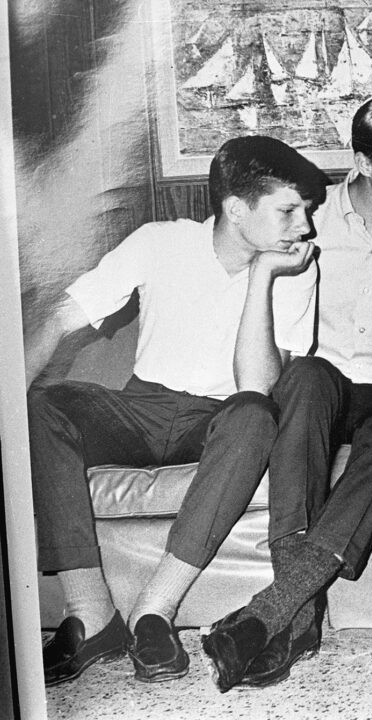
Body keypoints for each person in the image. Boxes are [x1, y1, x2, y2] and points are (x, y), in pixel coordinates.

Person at [200, 91, 372, 693]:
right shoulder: (307, 223)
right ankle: (291, 615)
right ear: (362, 163)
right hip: (321, 386)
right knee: (303, 378)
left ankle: (275, 618)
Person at [25, 135, 326, 686]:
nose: (304, 227)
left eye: (304, 211)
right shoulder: (159, 241)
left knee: (255, 416)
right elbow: (58, 321)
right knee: (43, 404)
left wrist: (262, 276)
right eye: (289, 210)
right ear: (237, 209)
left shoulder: (293, 269)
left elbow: (255, 387)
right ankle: (90, 613)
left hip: (217, 420)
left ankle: (153, 610)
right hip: (140, 405)